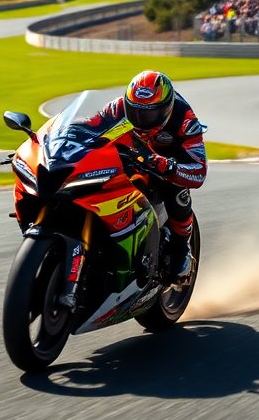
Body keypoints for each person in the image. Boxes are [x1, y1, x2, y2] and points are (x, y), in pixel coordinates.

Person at [86, 70, 207, 281]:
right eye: (135, 111)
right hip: (130, 154)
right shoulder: (117, 108)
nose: (140, 119)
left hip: (166, 161)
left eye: (149, 114)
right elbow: (89, 129)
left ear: (166, 109)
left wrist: (169, 167)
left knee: (177, 192)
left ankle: (181, 249)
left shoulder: (184, 119)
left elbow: (199, 170)